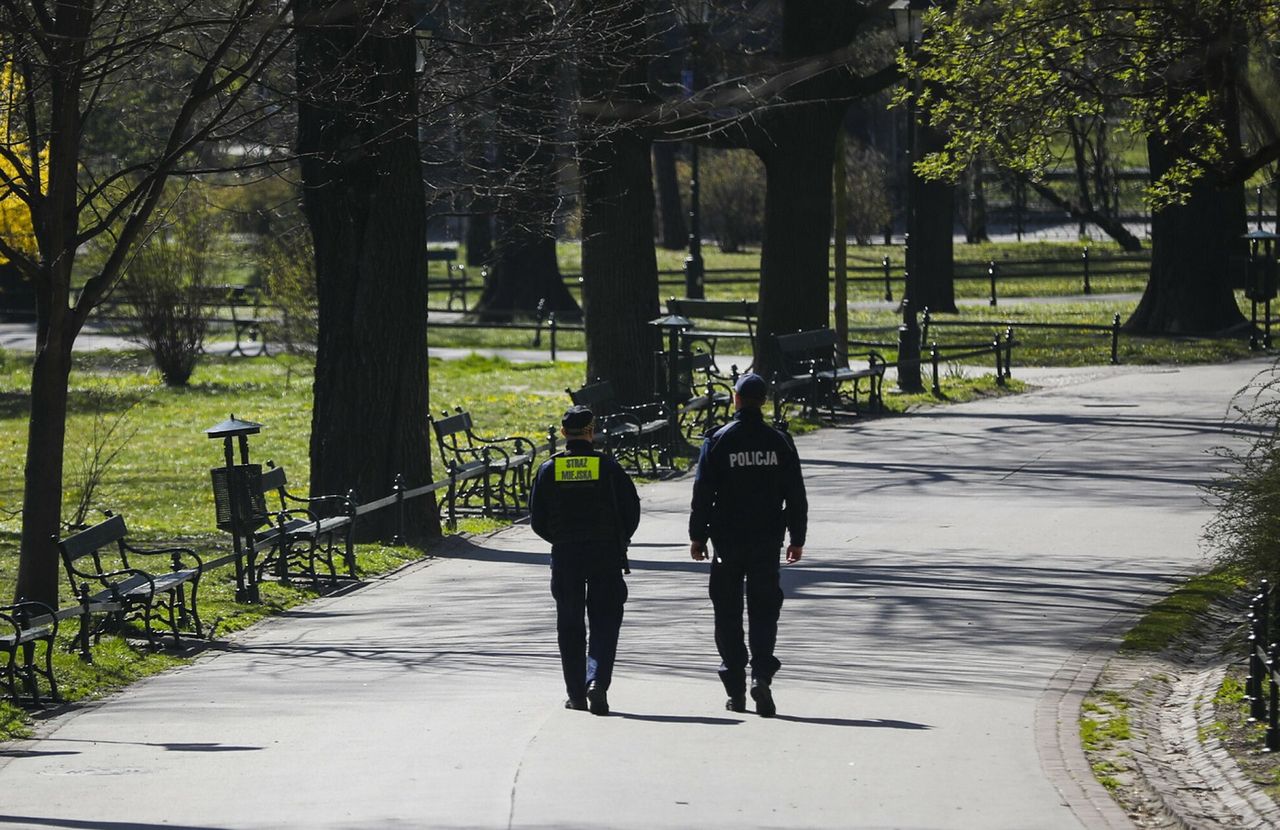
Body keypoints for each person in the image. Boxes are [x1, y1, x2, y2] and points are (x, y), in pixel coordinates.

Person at [688, 372, 807, 717]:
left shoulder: (718, 440)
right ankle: (761, 677)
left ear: (736, 400)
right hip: (766, 541)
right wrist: (797, 538)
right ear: (764, 402)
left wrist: (698, 536)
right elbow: (795, 496)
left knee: (727, 613)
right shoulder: (779, 441)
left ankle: (735, 689)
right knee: (764, 610)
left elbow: (702, 494)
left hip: (727, 541)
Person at [530, 405, 641, 715]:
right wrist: (620, 539)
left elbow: (537, 518)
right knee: (605, 620)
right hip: (605, 552)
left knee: (569, 624)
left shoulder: (549, 469)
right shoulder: (607, 466)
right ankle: (597, 682)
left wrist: (559, 539)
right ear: (592, 431)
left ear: (564, 433)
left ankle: (577, 694)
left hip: (566, 554)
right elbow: (631, 509)